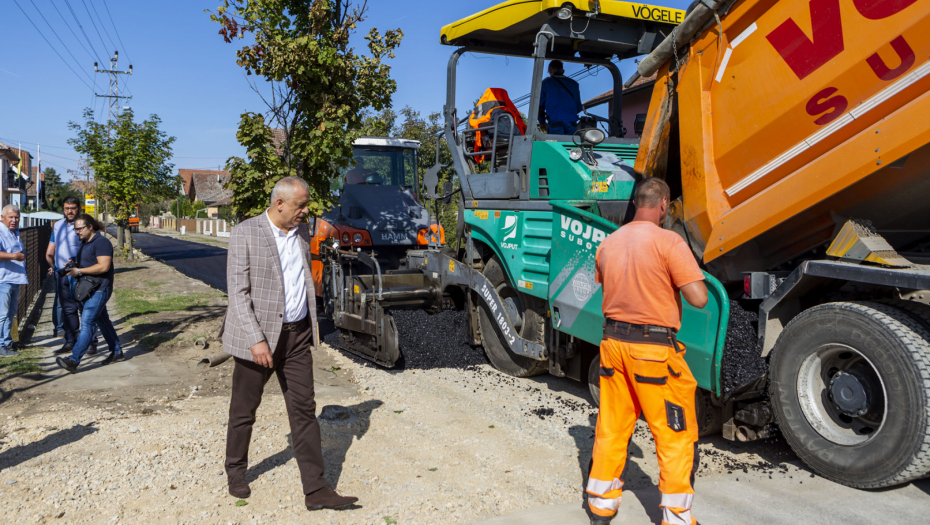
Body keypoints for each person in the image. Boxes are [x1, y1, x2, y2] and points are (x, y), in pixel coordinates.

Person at [222, 176, 357, 511]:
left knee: (303, 411)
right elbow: (237, 295)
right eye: (301, 205)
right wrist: (256, 340)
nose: (306, 211)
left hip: (296, 335)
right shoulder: (246, 232)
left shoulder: (301, 231)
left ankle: (316, 490)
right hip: (260, 338)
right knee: (244, 410)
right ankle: (235, 470)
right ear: (279, 203)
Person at [586, 178, 708, 525]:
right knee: (674, 433)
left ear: (636, 202)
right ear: (664, 205)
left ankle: (600, 507)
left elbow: (611, 286)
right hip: (653, 352)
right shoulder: (669, 241)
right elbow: (698, 298)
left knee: (611, 427)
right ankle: (676, 517)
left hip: (612, 347)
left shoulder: (609, 243)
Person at [55, 214, 123, 373]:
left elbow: (103, 267)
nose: (76, 232)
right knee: (103, 322)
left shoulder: (102, 242)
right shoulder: (85, 243)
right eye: (75, 229)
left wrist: (78, 271)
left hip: (100, 289)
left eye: (80, 228)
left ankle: (73, 359)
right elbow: (89, 263)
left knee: (86, 323)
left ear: (90, 227)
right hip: (89, 289)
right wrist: (74, 264)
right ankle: (117, 351)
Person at [47, 196, 98, 356]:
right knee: (68, 310)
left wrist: (78, 263)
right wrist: (53, 266)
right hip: (62, 274)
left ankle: (90, 342)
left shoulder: (85, 226)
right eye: (67, 208)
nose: (69, 211)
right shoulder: (58, 226)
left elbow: (92, 247)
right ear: (63, 209)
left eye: (73, 208)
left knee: (84, 309)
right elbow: (52, 248)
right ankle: (70, 341)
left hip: (80, 274)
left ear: (79, 208)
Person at [0, 205, 28, 357]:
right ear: (2, 217)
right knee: (2, 314)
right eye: (11, 217)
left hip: (14, 278)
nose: (14, 220)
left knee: (11, 313)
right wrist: (14, 256)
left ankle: (7, 341)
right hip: (3, 279)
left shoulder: (14, 232)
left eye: (17, 217)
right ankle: (0, 345)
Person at [539, 60, 583, 135]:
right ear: (563, 71)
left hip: (555, 123)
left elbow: (540, 106)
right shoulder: (574, 84)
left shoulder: (546, 83)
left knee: (555, 146)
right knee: (570, 146)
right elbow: (578, 107)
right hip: (572, 124)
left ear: (550, 70)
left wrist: (542, 122)